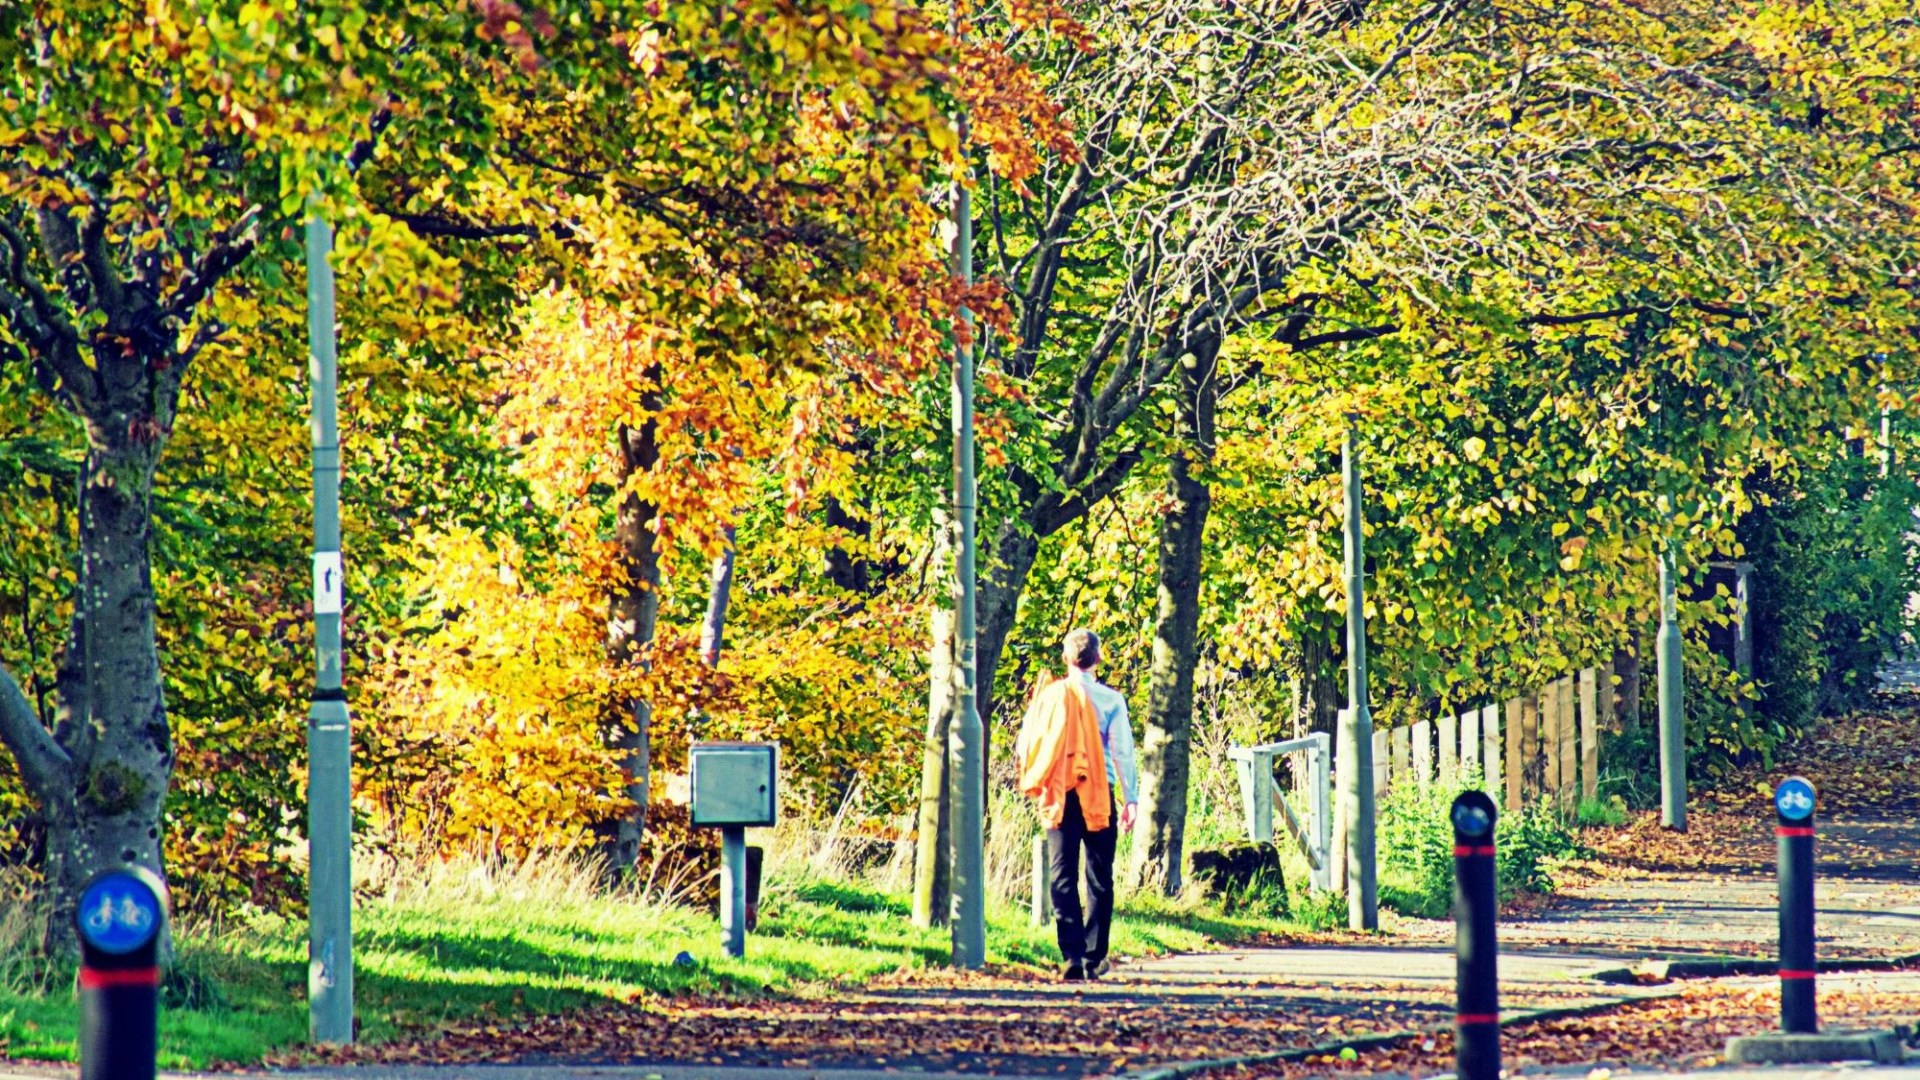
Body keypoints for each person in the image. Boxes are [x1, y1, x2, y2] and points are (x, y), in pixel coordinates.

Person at [1015, 628, 1139, 980]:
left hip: (1060, 793)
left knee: (1062, 873)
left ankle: (1070, 953)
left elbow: (1027, 744)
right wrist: (1130, 799)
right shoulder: (1111, 701)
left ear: (1066, 659)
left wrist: (1035, 779)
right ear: (1098, 659)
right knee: (1099, 877)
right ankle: (1093, 955)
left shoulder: (1048, 698)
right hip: (1099, 793)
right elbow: (1123, 753)